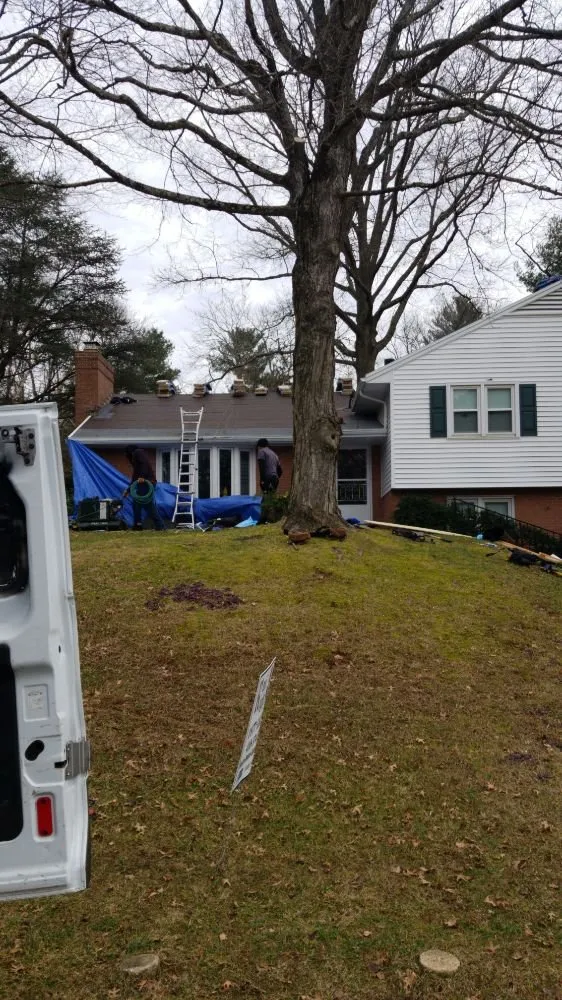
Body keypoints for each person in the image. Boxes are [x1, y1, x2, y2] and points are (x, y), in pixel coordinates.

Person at [123, 445, 165, 530]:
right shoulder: (137, 461)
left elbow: (144, 464)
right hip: (143, 484)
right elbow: (135, 477)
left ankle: (158, 526)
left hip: (147, 483)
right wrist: (128, 490)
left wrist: (142, 476)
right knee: (138, 504)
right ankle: (139, 525)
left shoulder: (138, 452)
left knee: (146, 505)